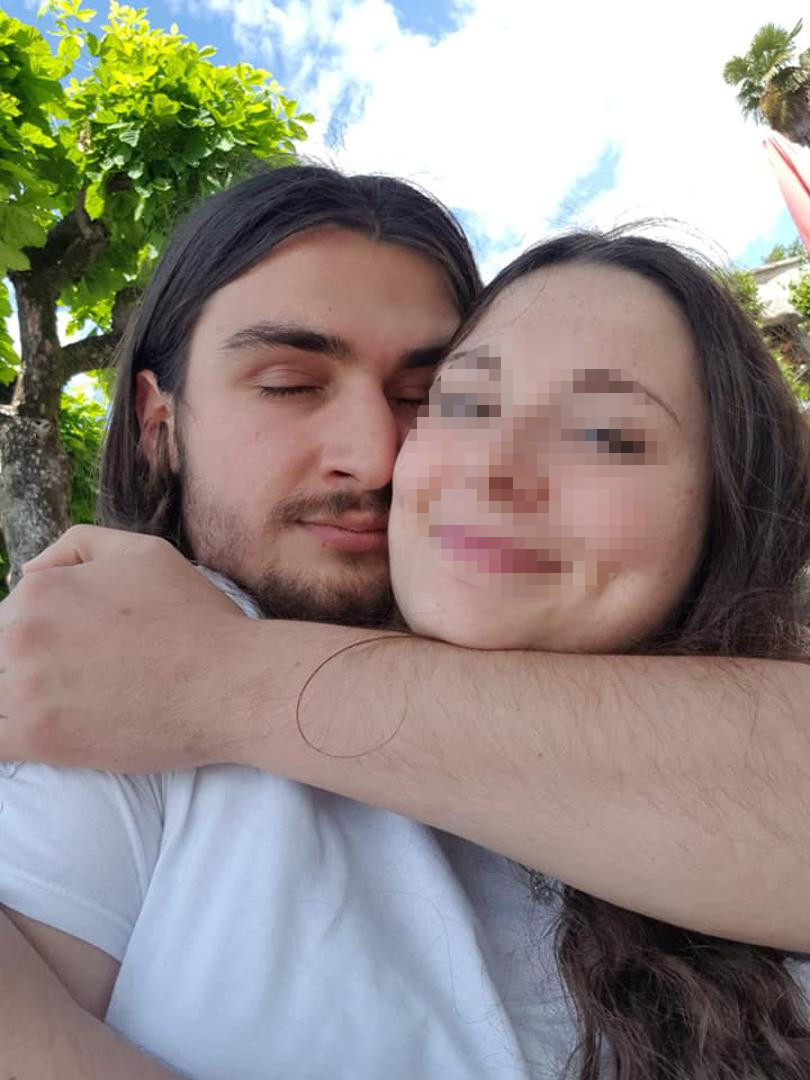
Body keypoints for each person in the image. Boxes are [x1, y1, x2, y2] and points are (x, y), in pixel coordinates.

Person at [1, 166, 809, 1077]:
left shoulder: (164, 675)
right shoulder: (105, 708)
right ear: (160, 425)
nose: (379, 456)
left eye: (421, 395)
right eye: (290, 383)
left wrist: (219, 678)